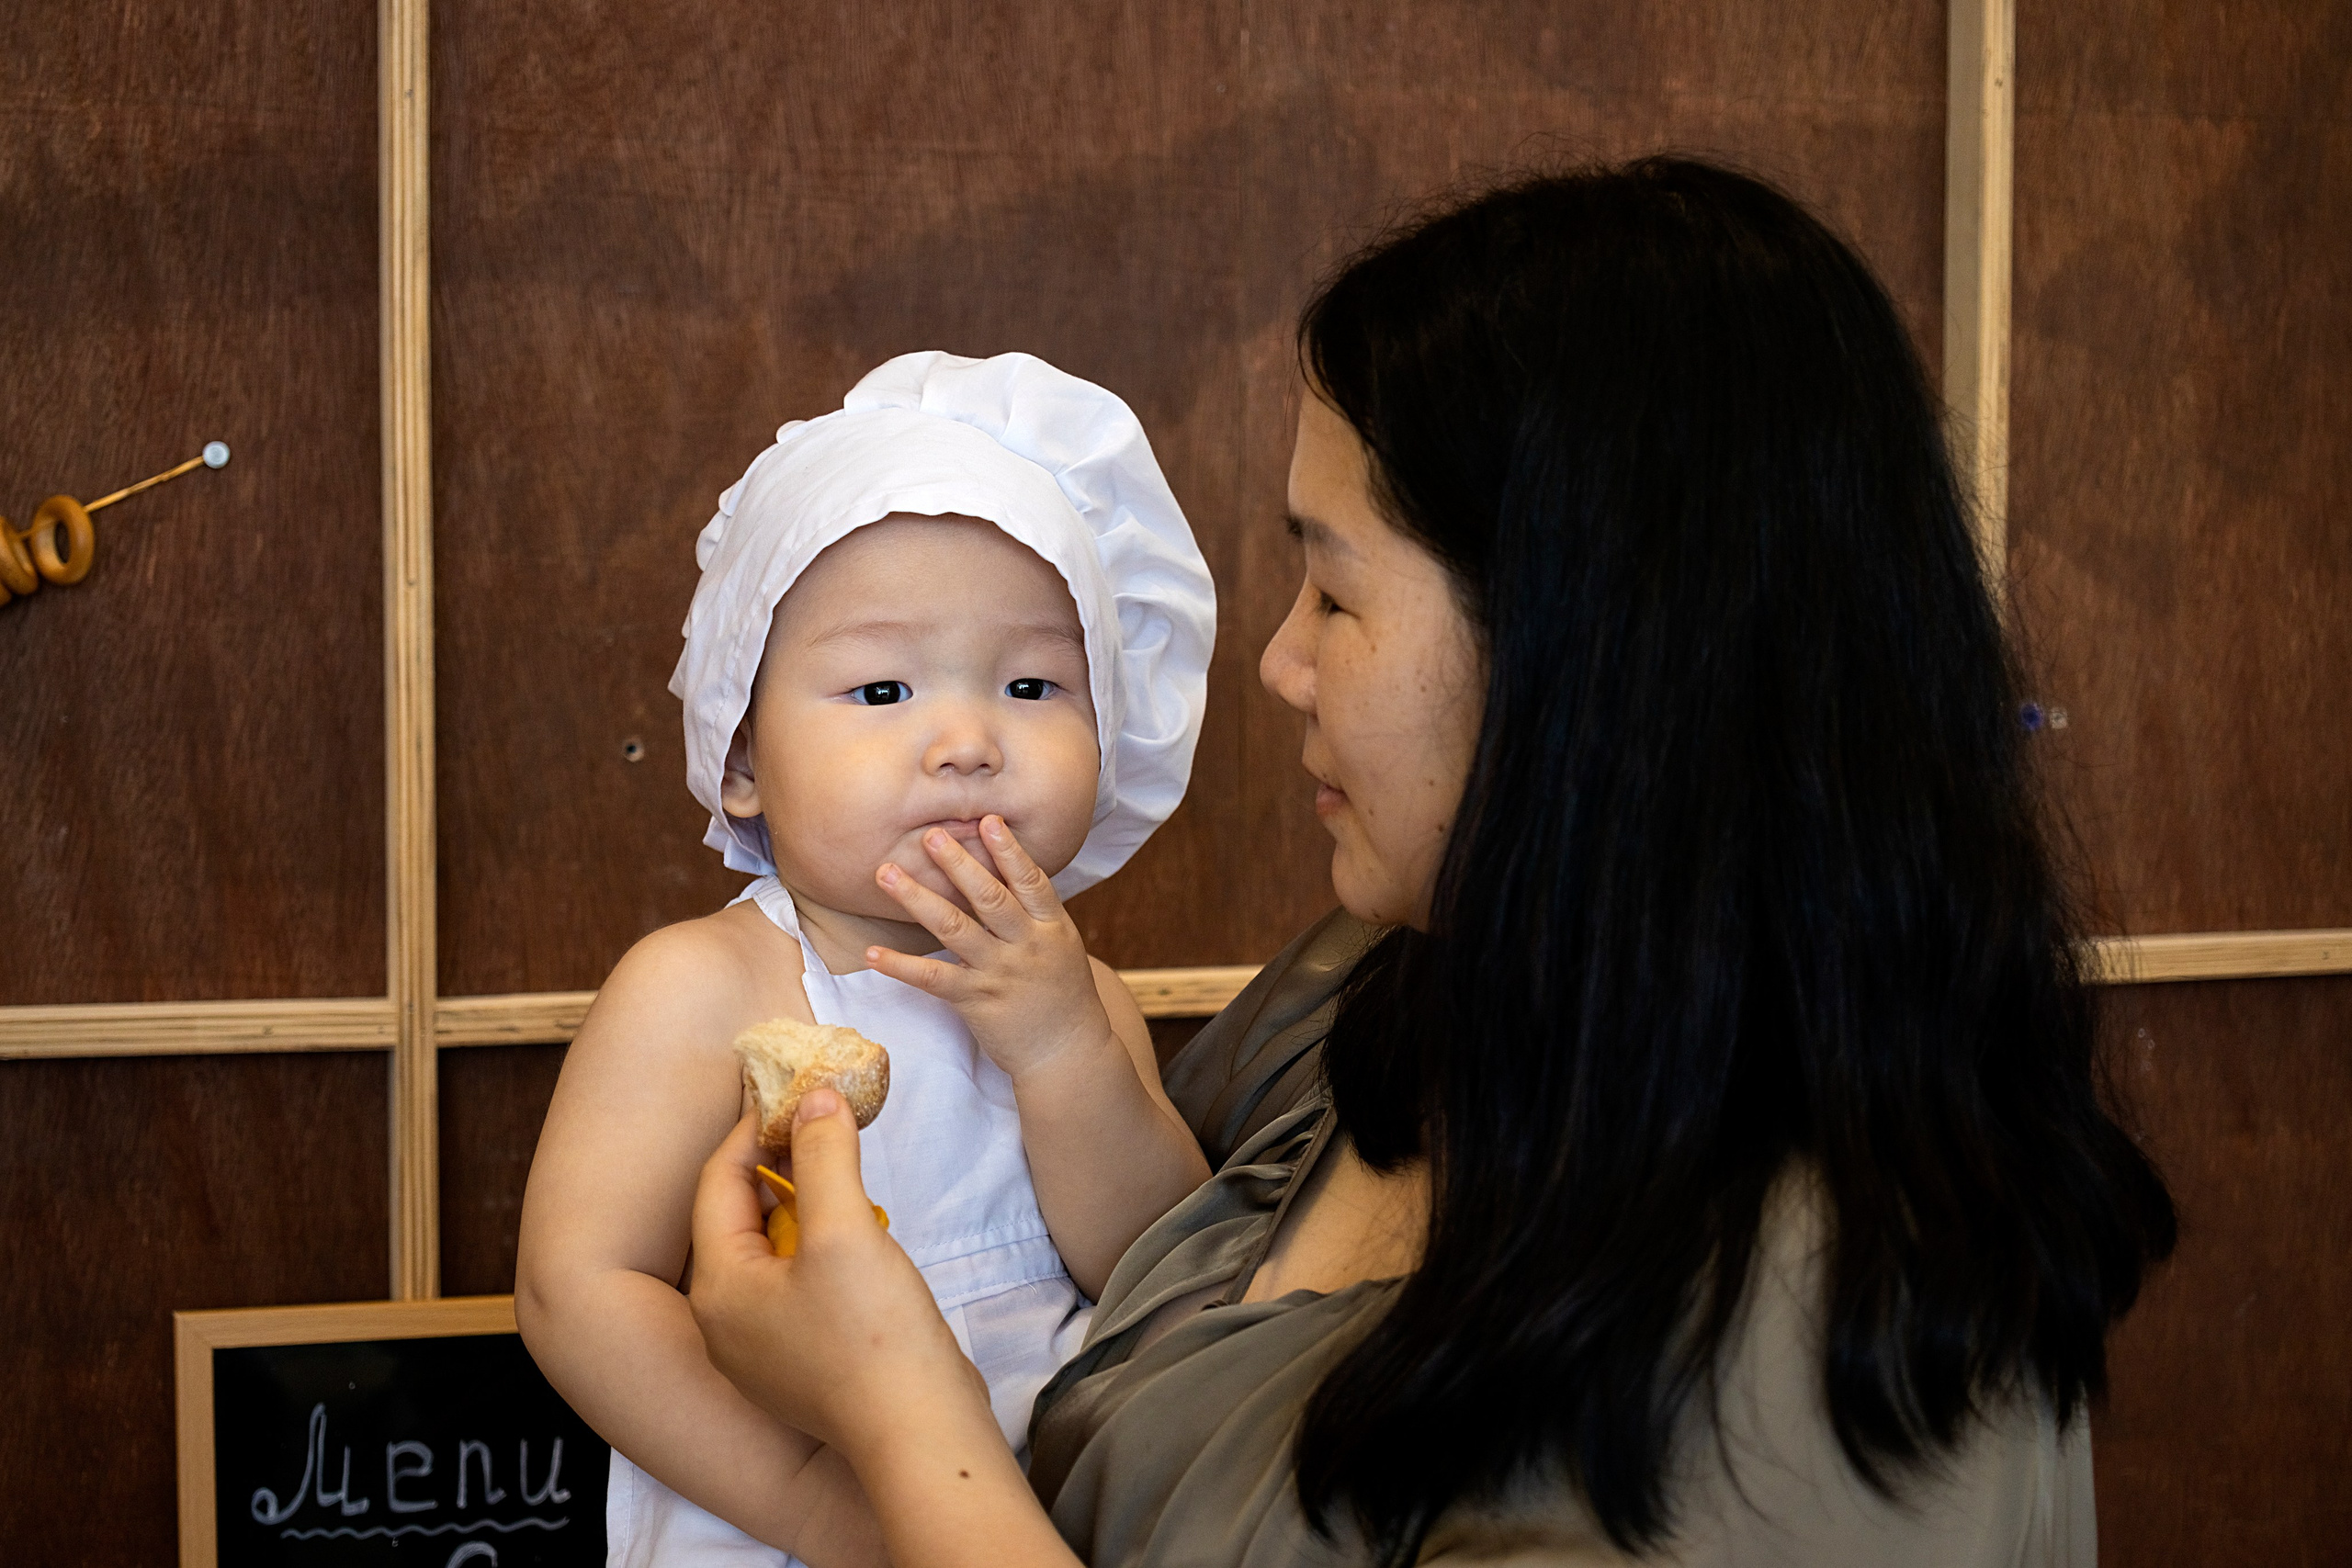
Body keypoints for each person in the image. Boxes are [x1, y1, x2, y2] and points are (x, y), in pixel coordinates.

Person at [684, 159, 2182, 1567]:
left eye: (1334, 593)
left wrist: (893, 1415)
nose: (1275, 663)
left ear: (1586, 653)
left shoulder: (1806, 1326)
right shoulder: (1381, 990)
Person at [515, 350, 1218, 1567]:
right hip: (777, 1512)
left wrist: (1058, 1046)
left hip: (1044, 1517)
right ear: (741, 757)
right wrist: (808, 1503)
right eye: (883, 687)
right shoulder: (701, 987)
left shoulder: (1082, 992)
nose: (965, 739)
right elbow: (579, 1290)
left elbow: (1157, 1267)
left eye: (1033, 682)